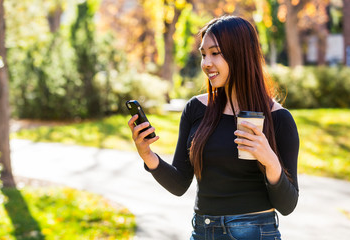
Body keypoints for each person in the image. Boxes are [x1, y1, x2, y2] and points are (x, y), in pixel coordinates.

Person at [128, 15, 299, 240]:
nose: (206, 63)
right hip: (203, 230)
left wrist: (270, 162)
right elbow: (180, 184)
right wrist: (147, 155)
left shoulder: (278, 119)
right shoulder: (196, 109)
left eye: (215, 53)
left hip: (254, 232)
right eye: (203, 54)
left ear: (240, 54)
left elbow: (287, 205)